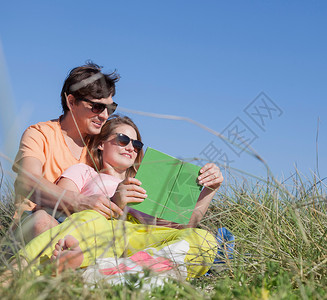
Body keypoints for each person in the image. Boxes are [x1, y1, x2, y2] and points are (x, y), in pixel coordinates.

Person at [18, 115, 223, 279]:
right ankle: (20, 270)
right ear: (101, 144)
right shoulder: (84, 172)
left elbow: (185, 226)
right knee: (91, 218)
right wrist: (114, 204)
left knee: (204, 239)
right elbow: (57, 208)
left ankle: (114, 272)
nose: (131, 147)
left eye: (137, 144)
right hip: (99, 233)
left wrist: (210, 190)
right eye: (123, 139)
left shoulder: (147, 183)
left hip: (137, 239)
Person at [13, 61, 124, 243]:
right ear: (71, 102)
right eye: (97, 107)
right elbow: (27, 181)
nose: (104, 115)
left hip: (83, 232)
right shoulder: (40, 134)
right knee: (43, 222)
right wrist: (79, 202)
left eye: (110, 108)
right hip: (33, 227)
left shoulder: (101, 146)